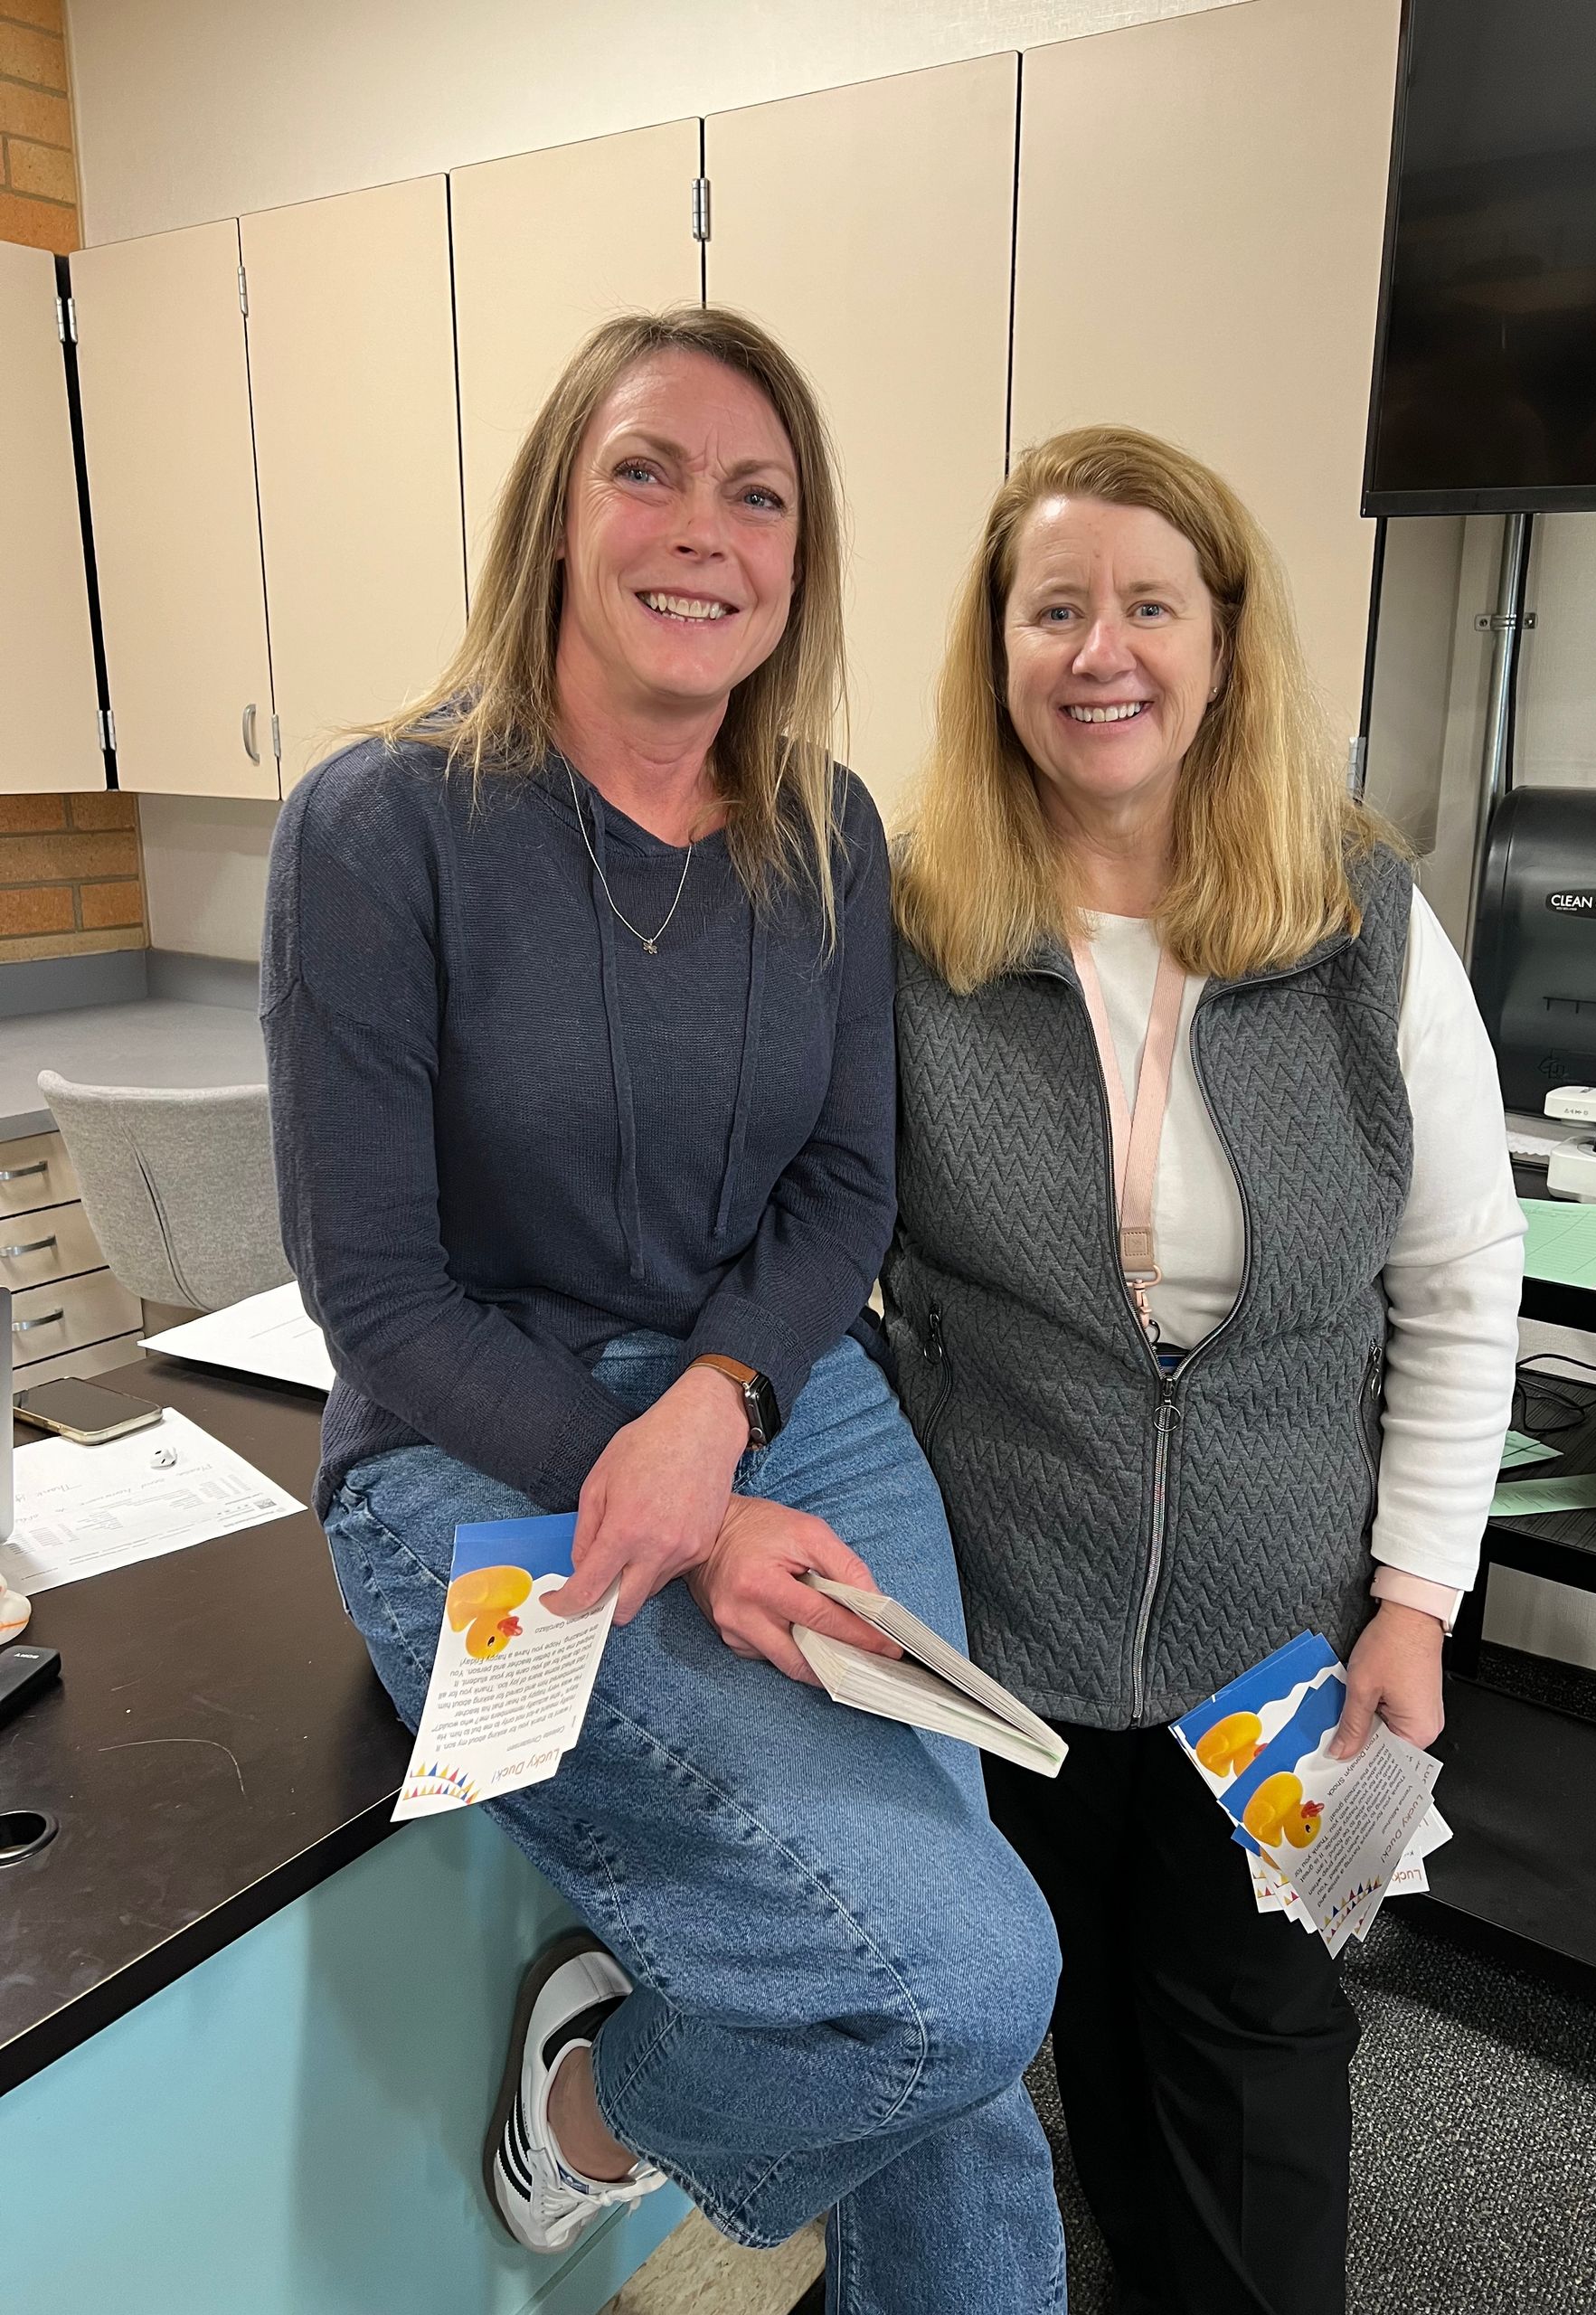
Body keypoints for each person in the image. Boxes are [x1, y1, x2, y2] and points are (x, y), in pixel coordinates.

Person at [262, 307, 1064, 2314]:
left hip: (789, 1404)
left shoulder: (826, 832)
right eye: (648, 468)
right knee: (962, 1980)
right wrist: (679, 1500)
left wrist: (721, 1396)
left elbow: (842, 1190)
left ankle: (622, 2115)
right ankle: (598, 2110)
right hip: (473, 1448)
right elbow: (372, 1289)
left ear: (800, 560)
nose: (701, 530)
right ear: (559, 508)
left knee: (951, 1987)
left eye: (758, 492)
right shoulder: (383, 827)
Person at [884, 425, 1523, 2315]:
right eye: (1056, 606)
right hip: (1003, 1648)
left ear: (1224, 641)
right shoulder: (915, 928)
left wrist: (1417, 1600)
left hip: (1279, 1657)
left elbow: (1464, 1284)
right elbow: (827, 1254)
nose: (1105, 651)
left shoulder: (1358, 926)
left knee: (1254, 2099)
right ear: (997, 648)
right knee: (1075, 2068)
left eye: (1150, 603)